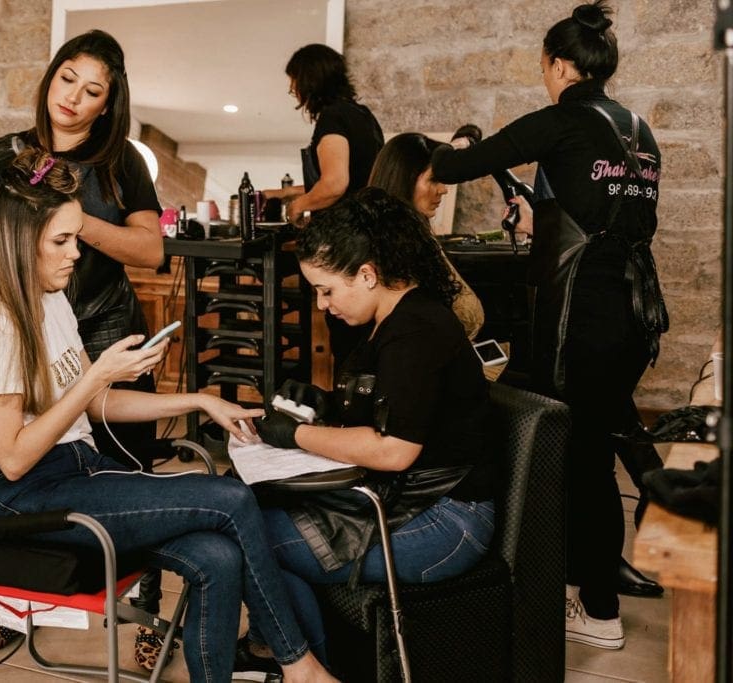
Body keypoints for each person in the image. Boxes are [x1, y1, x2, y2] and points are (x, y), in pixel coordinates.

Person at [0, 148, 339, 683]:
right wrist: (94, 377)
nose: (75, 253)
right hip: (23, 497)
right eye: (61, 240)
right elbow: (11, 459)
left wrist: (197, 400)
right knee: (231, 496)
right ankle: (300, 665)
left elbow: (97, 404)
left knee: (218, 558)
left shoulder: (50, 298)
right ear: (17, 242)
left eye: (75, 236)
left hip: (76, 468)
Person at [0, 30, 171, 662]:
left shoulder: (122, 164)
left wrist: (74, 216)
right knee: (27, 468)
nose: (74, 99)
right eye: (67, 80)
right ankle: (15, 604)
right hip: (30, 320)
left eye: (93, 91)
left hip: (104, 320)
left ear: (108, 104)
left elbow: (151, 250)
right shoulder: (13, 154)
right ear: (50, 78)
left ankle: (146, 620)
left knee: (127, 465)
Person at [430, 0, 668, 650]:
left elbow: (452, 171)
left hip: (582, 313)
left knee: (584, 459)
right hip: (635, 307)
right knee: (597, 441)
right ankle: (589, 578)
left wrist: (450, 148)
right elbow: (605, 212)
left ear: (560, 65)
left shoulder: (564, 120)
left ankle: (599, 607)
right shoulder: (640, 131)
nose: (546, 77)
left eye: (545, 67)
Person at [235, 188, 495, 672]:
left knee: (248, 539)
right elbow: (390, 409)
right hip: (409, 503)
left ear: (368, 274)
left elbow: (393, 449)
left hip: (447, 522)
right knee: (248, 518)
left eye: (327, 290)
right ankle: (296, 658)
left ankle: (303, 666)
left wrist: (293, 436)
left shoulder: (417, 331)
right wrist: (324, 406)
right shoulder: (393, 322)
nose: (322, 305)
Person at [262, 43, 384, 373]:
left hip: (344, 247)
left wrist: (297, 206)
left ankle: (348, 417)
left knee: (347, 345)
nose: (292, 89)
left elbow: (334, 184)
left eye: (294, 81)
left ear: (309, 79)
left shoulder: (332, 118)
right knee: (369, 343)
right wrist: (284, 192)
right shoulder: (363, 116)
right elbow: (351, 177)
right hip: (370, 240)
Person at [369, 132, 485, 341]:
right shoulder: (393, 254)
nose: (444, 190)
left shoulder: (419, 238)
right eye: (434, 180)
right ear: (403, 180)